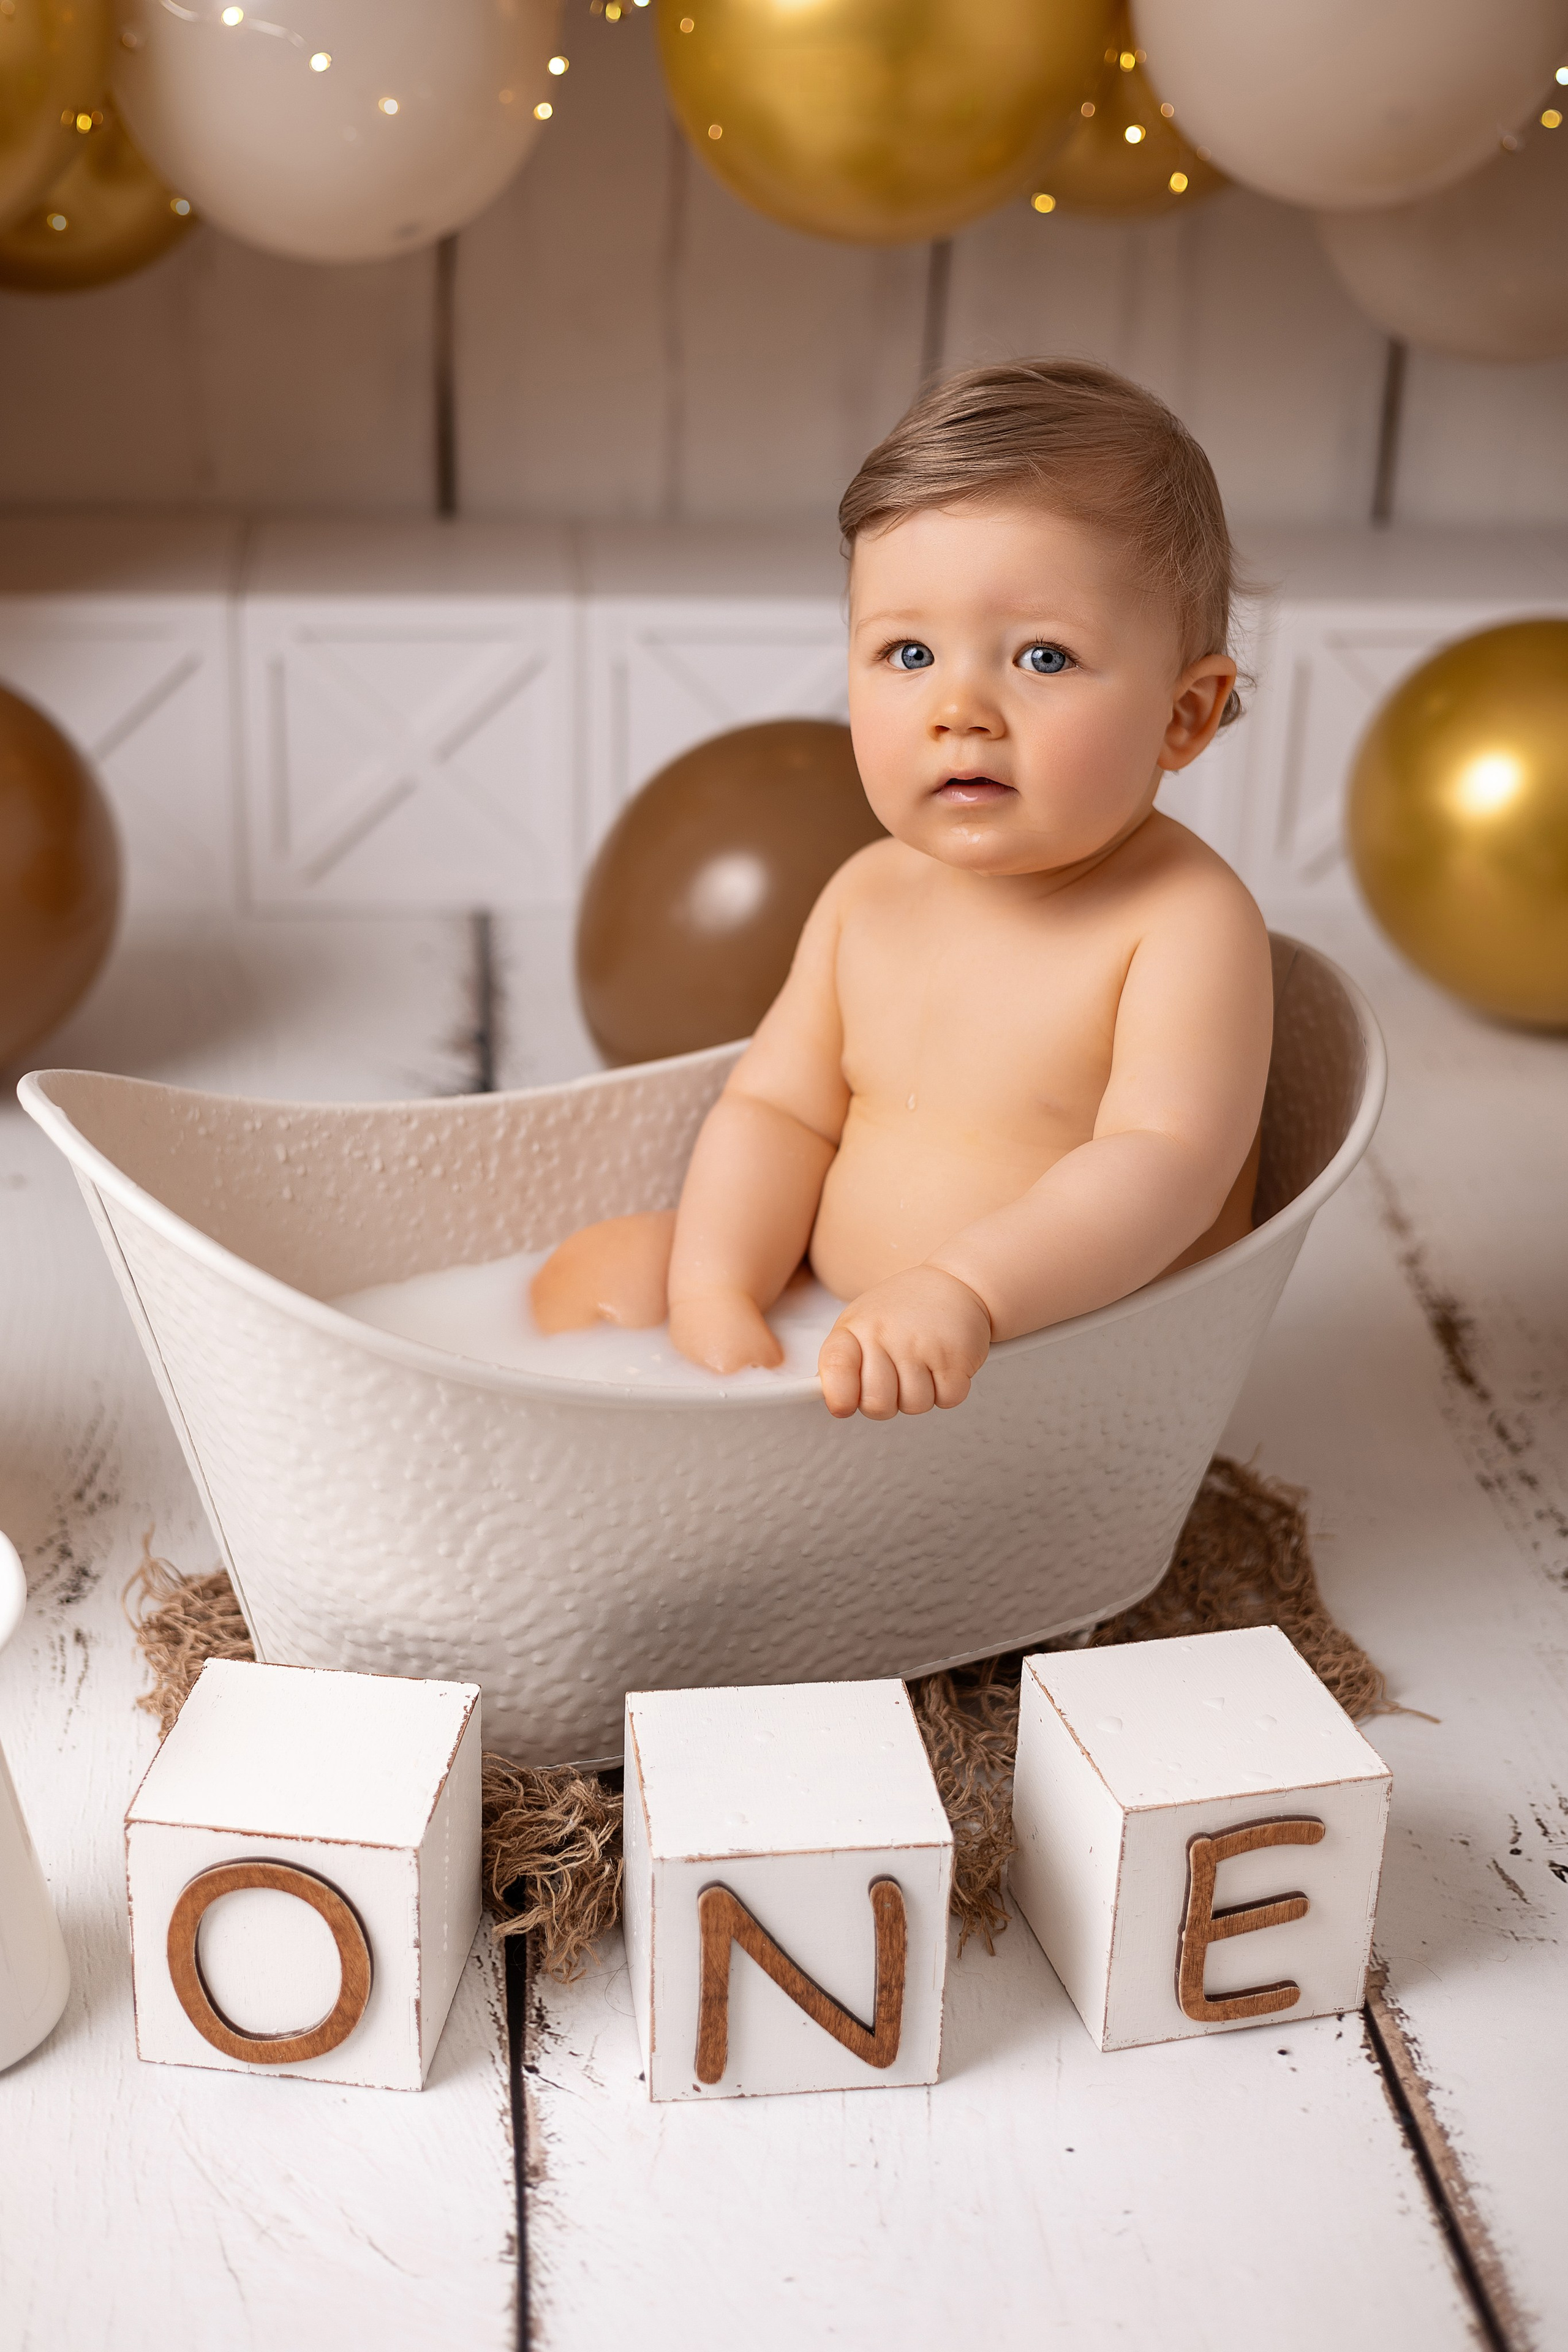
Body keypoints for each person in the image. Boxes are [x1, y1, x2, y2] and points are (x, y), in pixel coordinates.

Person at [532, 359, 1273, 1422]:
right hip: (837, 1314)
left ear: (1184, 716)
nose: (959, 707)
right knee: (595, 1277)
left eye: (1044, 658)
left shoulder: (1182, 925)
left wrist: (965, 1292)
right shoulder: (869, 893)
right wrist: (719, 1289)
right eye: (909, 651)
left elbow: (1163, 1166)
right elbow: (779, 1111)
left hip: (1043, 1363)